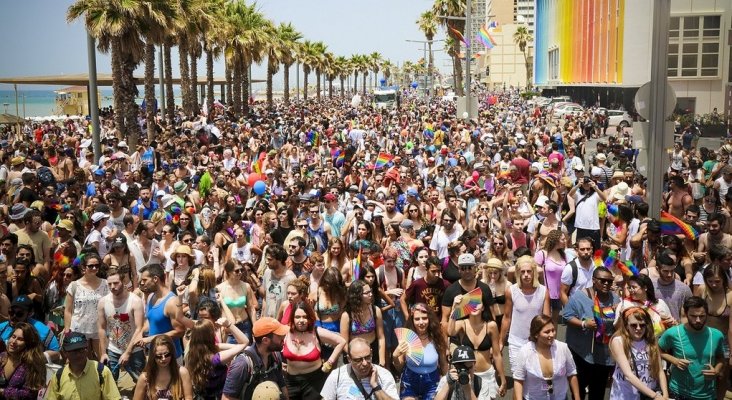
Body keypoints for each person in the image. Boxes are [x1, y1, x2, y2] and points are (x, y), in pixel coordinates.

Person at [562, 266, 621, 400]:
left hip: (604, 354)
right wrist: (584, 323)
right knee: (580, 388)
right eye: (602, 280)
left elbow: (618, 322)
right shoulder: (580, 296)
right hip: (582, 352)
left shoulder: (615, 299)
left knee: (598, 390)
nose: (606, 284)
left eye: (609, 281)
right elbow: (567, 316)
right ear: (594, 280)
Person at [659, 296, 726, 400]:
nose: (698, 320)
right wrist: (674, 360)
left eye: (702, 316)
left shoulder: (716, 335)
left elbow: (721, 358)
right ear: (686, 314)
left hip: (707, 395)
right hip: (679, 393)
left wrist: (716, 371)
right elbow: (657, 350)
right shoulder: (673, 333)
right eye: (693, 316)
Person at [447, 291, 507, 399]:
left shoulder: (491, 326)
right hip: (467, 375)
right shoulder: (462, 324)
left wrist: (503, 379)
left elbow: (497, 355)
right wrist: (454, 308)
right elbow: (450, 332)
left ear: (483, 307)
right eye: (471, 303)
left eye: (478, 303)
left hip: (486, 375)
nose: (474, 306)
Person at [283, 301, 346, 400]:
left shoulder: (316, 332)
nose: (301, 320)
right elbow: (271, 342)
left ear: (310, 318)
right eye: (297, 317)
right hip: (291, 382)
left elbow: (341, 342)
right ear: (292, 318)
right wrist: (278, 363)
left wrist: (330, 362)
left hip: (314, 382)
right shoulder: (286, 332)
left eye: (305, 317)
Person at [513, 314, 580, 400]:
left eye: (553, 330)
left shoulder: (563, 348)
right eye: (547, 332)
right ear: (536, 334)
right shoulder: (525, 352)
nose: (552, 334)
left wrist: (577, 397)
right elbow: (518, 379)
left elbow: (572, 373)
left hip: (560, 397)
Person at [500, 256, 550, 370]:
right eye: (522, 272)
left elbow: (546, 319)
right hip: (516, 341)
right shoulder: (511, 291)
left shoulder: (543, 291)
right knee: (518, 374)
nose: (526, 274)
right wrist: (500, 341)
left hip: (536, 341)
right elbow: (507, 317)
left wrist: (547, 340)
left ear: (534, 272)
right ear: (518, 273)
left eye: (529, 271)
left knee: (535, 375)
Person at [97, 267, 146, 382]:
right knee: (110, 383)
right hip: (113, 349)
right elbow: (102, 329)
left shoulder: (135, 301)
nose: (112, 287)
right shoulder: (103, 302)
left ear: (123, 282)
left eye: (116, 283)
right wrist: (103, 353)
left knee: (141, 382)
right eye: (109, 284)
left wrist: (128, 352)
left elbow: (139, 328)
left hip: (135, 350)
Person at [221, 317, 289, 400]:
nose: (283, 339)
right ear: (265, 340)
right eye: (279, 336)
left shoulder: (276, 356)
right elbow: (227, 398)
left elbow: (282, 385)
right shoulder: (242, 364)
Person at [609, 307, 669, 400]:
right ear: (626, 325)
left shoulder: (651, 342)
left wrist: (665, 395)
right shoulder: (618, 341)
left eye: (642, 325)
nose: (638, 328)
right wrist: (655, 396)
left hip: (647, 394)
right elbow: (629, 375)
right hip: (625, 395)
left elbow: (660, 371)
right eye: (633, 325)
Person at [136, 264, 192, 363]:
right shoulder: (150, 296)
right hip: (154, 355)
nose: (141, 283)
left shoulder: (171, 302)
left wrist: (150, 339)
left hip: (171, 358)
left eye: (145, 280)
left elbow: (179, 331)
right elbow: (151, 321)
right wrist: (140, 333)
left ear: (155, 279)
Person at [393, 303, 449, 400]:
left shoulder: (437, 337)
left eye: (424, 318)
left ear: (429, 319)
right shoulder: (406, 337)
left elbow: (443, 364)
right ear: (412, 320)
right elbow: (399, 368)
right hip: (409, 380)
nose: (421, 322)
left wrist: (448, 383)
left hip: (432, 381)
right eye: (417, 319)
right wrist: (395, 356)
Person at [45, 332, 121, 400]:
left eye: (81, 350)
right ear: (65, 353)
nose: (78, 355)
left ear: (87, 349)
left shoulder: (102, 372)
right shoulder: (58, 377)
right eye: (74, 351)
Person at [185, 319, 248, 400]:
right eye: (213, 330)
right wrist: (229, 324)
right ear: (210, 335)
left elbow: (238, 346)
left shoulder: (192, 352)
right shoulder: (216, 358)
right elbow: (245, 342)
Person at [320, 337, 399, 400]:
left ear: (371, 353)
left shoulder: (384, 375)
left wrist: (376, 387)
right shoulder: (337, 376)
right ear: (349, 359)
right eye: (358, 360)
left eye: (367, 357)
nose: (364, 363)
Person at [64, 252, 109, 358]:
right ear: (83, 267)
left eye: (97, 266)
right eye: (91, 266)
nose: (94, 268)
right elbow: (68, 310)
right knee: (80, 360)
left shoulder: (106, 284)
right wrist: (67, 329)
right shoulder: (74, 285)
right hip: (79, 328)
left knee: (102, 359)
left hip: (99, 328)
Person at [132, 334, 194, 400]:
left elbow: (188, 397)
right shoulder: (145, 378)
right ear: (153, 356)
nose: (163, 358)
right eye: (159, 356)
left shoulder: (182, 373)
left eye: (167, 354)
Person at [0, 295, 60, 362]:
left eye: (19, 314)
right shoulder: (1, 328)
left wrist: (31, 359)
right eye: (11, 312)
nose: (13, 316)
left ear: (30, 314)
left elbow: (56, 353)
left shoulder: (42, 330)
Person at [340, 280, 386, 367]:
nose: (371, 294)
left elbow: (381, 337)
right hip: (355, 355)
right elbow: (344, 343)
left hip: (372, 351)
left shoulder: (376, 310)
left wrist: (382, 360)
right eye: (366, 293)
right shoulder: (346, 315)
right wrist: (355, 357)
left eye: (370, 291)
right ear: (357, 296)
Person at [0, 322, 46, 399]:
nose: (14, 342)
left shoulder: (33, 364)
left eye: (20, 339)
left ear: (28, 343)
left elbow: (29, 393)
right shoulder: (2, 356)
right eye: (13, 336)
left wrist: (3, 392)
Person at [261, 243, 297, 318]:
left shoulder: (290, 278)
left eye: (270, 259)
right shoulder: (267, 273)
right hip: (268, 320)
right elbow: (265, 297)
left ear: (279, 260)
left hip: (282, 321)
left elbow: (293, 303)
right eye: (266, 259)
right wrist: (262, 316)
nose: (267, 262)